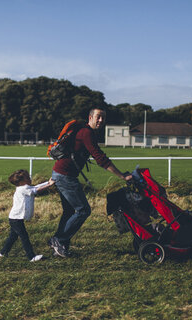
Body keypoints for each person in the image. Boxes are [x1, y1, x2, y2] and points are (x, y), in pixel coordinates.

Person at [48, 108, 132, 257]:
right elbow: (100, 158)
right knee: (83, 210)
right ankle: (58, 239)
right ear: (90, 117)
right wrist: (122, 176)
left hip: (61, 173)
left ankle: (60, 248)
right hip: (65, 175)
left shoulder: (86, 132)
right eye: (98, 117)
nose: (101, 120)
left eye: (103, 118)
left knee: (69, 211)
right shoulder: (87, 133)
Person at [0, 169, 55, 262]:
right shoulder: (23, 189)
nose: (30, 179)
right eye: (28, 178)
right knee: (24, 237)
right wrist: (49, 185)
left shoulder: (24, 187)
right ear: (21, 182)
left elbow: (35, 187)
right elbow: (35, 190)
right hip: (16, 218)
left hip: (15, 218)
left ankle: (3, 252)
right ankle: (31, 257)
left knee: (13, 236)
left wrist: (47, 182)